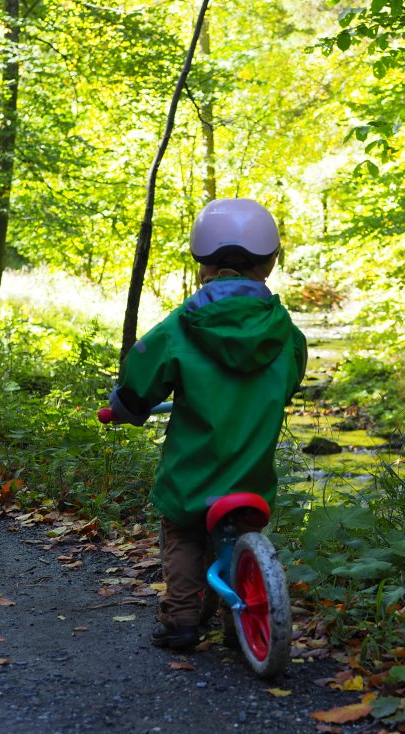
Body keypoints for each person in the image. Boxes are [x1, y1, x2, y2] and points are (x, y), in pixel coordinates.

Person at [105, 198, 307, 650]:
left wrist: (126, 406)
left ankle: (180, 617)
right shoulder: (283, 330)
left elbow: (143, 373)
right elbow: (292, 374)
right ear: (269, 264)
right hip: (251, 475)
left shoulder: (184, 324)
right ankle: (242, 609)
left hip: (192, 472)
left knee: (183, 530)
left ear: (203, 266)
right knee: (244, 528)